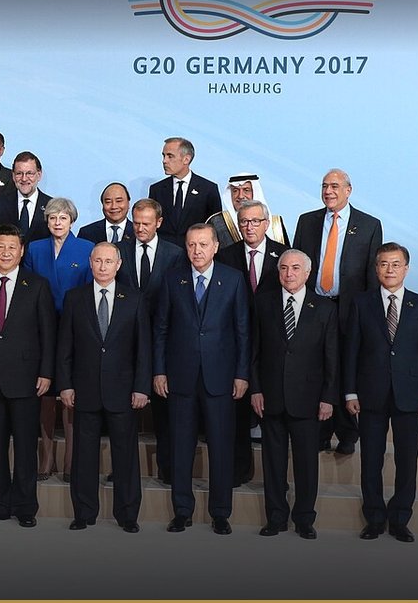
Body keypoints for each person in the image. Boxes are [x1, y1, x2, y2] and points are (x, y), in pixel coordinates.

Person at [152, 223, 249, 534]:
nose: (197, 251)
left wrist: (242, 374)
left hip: (220, 378)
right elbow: (161, 330)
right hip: (180, 378)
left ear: (215, 247)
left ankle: (221, 513)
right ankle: (182, 511)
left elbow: (243, 332)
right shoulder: (172, 279)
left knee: (222, 448)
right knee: (181, 447)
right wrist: (159, 370)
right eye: (192, 245)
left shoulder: (233, 280)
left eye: (203, 245)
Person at [344, 243, 418, 543]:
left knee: (407, 460)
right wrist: (349, 392)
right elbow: (351, 352)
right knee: (371, 459)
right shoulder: (362, 303)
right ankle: (374, 518)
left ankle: (400, 519)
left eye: (396, 264)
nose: (389, 270)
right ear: (376, 268)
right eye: (384, 264)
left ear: (406, 268)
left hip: (410, 396)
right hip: (370, 394)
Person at [0, 224, 55, 527]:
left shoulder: (38, 285)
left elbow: (48, 334)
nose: (6, 252)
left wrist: (46, 372)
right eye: (0, 246)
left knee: (27, 447)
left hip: (27, 379)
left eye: (12, 247)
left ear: (21, 251)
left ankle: (26, 507)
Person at [57, 242, 151, 532]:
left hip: (123, 392)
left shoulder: (134, 298)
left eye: (108, 261)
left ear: (118, 264)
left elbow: (143, 350)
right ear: (90, 262)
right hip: (84, 390)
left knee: (126, 457)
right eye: (97, 261)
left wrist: (141, 388)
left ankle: (127, 515)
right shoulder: (75, 298)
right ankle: (83, 512)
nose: (102, 266)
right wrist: (66, 385)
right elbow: (65, 347)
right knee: (84, 455)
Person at [292, 168, 383, 454]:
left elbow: (372, 273)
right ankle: (319, 430)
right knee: (315, 367)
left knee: (345, 368)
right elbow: (296, 264)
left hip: (350, 307)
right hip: (314, 307)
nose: (328, 191)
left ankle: (347, 431)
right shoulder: (307, 221)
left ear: (348, 190)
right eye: (324, 186)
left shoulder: (368, 225)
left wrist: (369, 316)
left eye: (334, 186)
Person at [250, 249, 338, 539]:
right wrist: (256, 389)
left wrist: (328, 397)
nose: (289, 274)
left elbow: (331, 358)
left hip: (309, 400)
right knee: (273, 463)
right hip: (271, 397)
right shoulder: (263, 303)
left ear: (308, 273)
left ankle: (304, 519)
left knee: (306, 464)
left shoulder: (324, 308)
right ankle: (275, 517)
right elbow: (254, 352)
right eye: (284, 268)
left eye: (295, 268)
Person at [214, 198, 290, 486]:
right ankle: (239, 471)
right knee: (236, 414)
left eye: (255, 221)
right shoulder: (225, 255)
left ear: (266, 222)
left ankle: (275, 479)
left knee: (271, 414)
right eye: (243, 221)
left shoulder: (284, 256)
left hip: (273, 347)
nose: (249, 226)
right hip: (233, 345)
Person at [24, 197, 93, 482]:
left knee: (70, 393)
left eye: (62, 218)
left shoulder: (86, 248)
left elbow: (89, 291)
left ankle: (71, 460)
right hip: (40, 329)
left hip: (74, 330)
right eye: (52, 218)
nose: (57, 223)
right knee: (45, 395)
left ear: (72, 221)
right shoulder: (35, 248)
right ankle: (47, 458)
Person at [117, 198, 185, 485]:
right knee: (122, 413)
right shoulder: (118, 251)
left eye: (146, 223)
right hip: (122, 343)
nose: (140, 228)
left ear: (159, 222)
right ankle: (122, 467)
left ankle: (167, 469)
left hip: (162, 342)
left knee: (165, 411)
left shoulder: (176, 254)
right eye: (137, 223)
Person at [148, 137, 221, 247]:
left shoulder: (208, 189)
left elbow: (215, 228)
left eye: (170, 156)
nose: (164, 161)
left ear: (186, 159)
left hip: (195, 254)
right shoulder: (156, 189)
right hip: (164, 255)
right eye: (163, 156)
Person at [207, 173, 289, 247]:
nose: (240, 196)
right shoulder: (216, 222)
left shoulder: (276, 225)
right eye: (235, 191)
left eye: (246, 190)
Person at [0, 151, 53, 243]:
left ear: (39, 175)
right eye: (19, 173)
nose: (24, 179)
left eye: (29, 173)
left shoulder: (51, 205)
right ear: (13, 176)